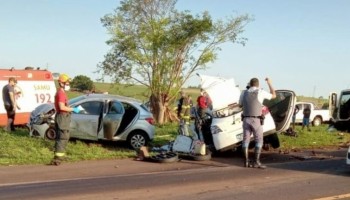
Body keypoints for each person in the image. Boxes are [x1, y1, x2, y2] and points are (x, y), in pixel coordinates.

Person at [239, 77, 276, 169]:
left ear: (250, 84)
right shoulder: (260, 92)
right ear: (258, 85)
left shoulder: (243, 93)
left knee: (245, 140)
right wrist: (269, 83)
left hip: (245, 119)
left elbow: (240, 104)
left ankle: (246, 162)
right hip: (256, 120)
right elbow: (274, 95)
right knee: (259, 140)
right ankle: (256, 162)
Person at [51, 74, 81, 165]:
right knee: (63, 137)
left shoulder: (62, 93)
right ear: (61, 83)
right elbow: (61, 107)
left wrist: (70, 108)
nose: (68, 84)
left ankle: (59, 156)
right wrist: (74, 109)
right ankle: (58, 158)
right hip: (62, 117)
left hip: (63, 117)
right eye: (66, 83)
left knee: (63, 137)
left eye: (68, 83)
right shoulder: (60, 93)